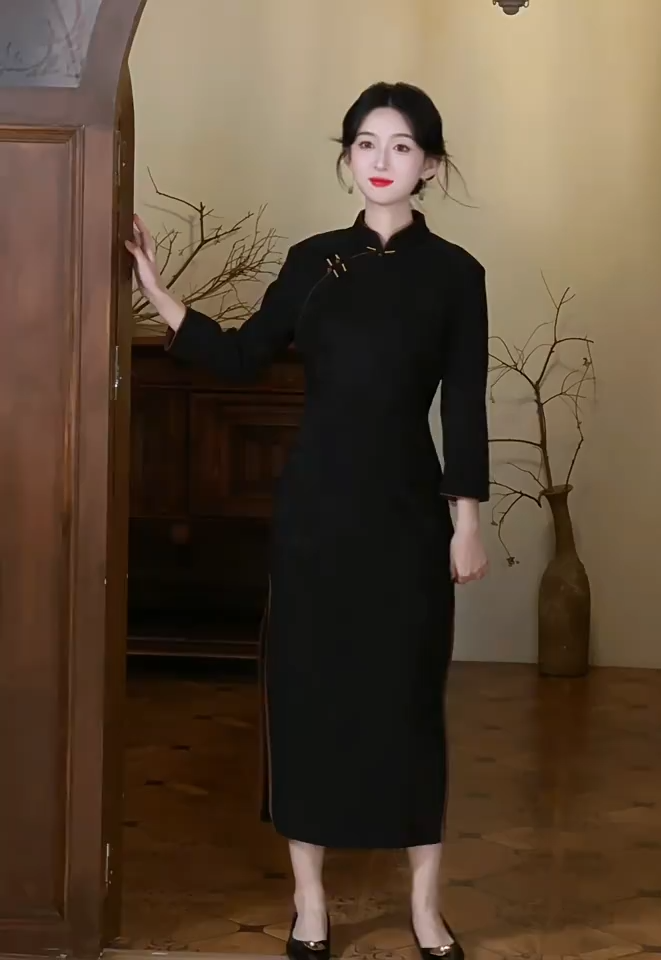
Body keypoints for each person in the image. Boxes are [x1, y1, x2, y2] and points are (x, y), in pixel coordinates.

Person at [126, 81, 490, 960]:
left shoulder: (457, 275)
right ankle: (310, 902)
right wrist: (160, 294)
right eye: (366, 143)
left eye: (401, 146)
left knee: (409, 703)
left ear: (430, 166)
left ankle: (425, 906)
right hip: (315, 516)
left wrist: (467, 522)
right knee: (308, 698)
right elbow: (243, 357)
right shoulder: (312, 261)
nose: (381, 161)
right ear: (347, 156)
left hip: (407, 518)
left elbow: (465, 409)